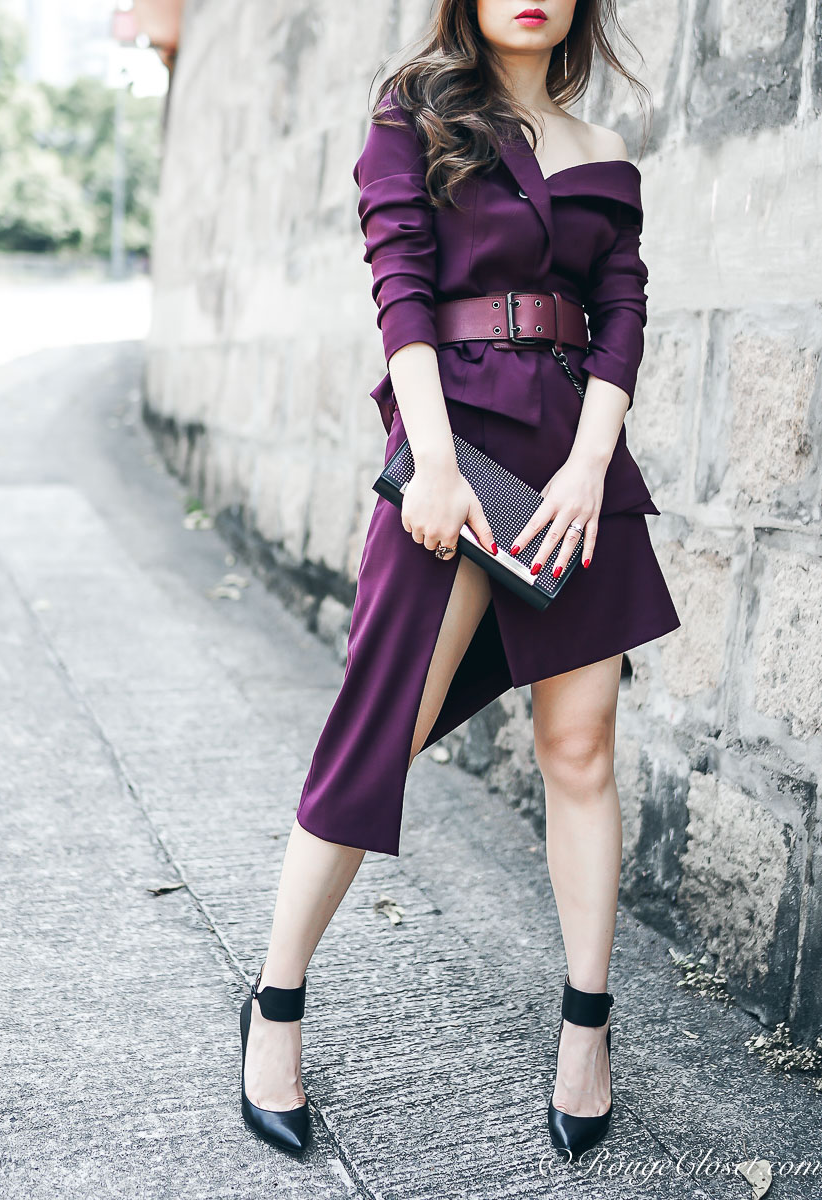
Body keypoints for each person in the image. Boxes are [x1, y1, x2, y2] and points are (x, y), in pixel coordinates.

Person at [238, 0, 681, 1162]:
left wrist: (591, 466)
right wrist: (430, 462)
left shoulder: (601, 150)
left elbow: (621, 316)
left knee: (579, 750)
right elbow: (401, 287)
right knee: (375, 735)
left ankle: (585, 1030)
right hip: (460, 450)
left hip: (576, 468)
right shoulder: (418, 108)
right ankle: (275, 1004)